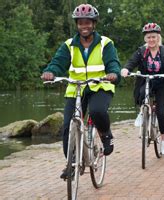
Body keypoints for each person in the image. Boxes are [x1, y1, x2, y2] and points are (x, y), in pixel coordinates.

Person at [41, 4, 121, 179]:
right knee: (68, 126)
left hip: (100, 86)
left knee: (97, 111)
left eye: (88, 23)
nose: (84, 26)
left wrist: (113, 74)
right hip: (76, 88)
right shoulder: (69, 45)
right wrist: (50, 72)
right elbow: (57, 62)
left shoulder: (105, 43)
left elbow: (113, 63)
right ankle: (72, 162)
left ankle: (106, 134)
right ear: (77, 25)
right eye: (81, 23)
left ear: (94, 23)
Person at [121, 22, 164, 155]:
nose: (151, 40)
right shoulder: (141, 51)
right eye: (148, 37)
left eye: (154, 37)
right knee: (141, 93)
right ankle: (143, 112)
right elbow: (132, 62)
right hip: (146, 82)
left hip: (162, 84)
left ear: (158, 37)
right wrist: (126, 69)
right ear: (145, 39)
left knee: (160, 112)